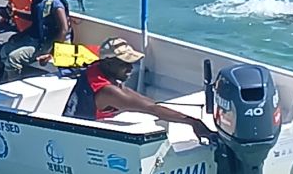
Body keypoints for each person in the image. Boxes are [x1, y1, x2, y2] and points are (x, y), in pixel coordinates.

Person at [64, 37, 215, 142]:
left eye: (131, 63)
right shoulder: (108, 92)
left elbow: (149, 103)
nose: (130, 68)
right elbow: (150, 108)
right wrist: (193, 122)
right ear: (108, 63)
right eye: (125, 64)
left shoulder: (98, 69)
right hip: (82, 139)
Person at [0, 0, 72, 80]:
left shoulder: (56, 2)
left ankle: (12, 84)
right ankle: (7, 78)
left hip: (52, 44)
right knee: (4, 50)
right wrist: (15, 15)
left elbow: (64, 29)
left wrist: (50, 53)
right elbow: (37, 20)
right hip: (39, 39)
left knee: (13, 58)